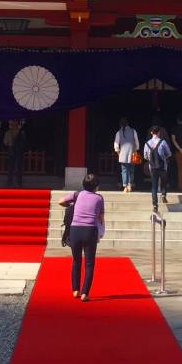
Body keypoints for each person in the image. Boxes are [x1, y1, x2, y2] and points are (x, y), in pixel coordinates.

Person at [60, 173, 105, 301]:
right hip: (90, 230)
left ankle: (75, 290)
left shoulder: (77, 194)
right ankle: (85, 293)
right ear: (96, 186)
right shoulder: (99, 198)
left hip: (75, 230)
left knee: (76, 261)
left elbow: (61, 201)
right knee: (89, 264)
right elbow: (101, 217)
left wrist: (72, 206)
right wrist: (101, 231)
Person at [144, 126, 172, 208]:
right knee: (163, 182)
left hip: (152, 167)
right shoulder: (163, 142)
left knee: (154, 186)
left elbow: (145, 156)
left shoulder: (147, 143)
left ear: (151, 133)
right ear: (159, 132)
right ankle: (163, 195)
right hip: (162, 166)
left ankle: (155, 205)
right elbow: (169, 153)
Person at [113, 118, 140, 193]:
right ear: (128, 123)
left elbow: (116, 144)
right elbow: (136, 141)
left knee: (124, 171)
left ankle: (125, 187)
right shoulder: (133, 131)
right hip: (132, 152)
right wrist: (136, 149)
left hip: (122, 153)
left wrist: (118, 152)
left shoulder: (119, 132)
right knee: (131, 170)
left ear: (120, 124)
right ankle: (130, 185)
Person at [4, 120, 27, 188]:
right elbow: (24, 142)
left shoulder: (8, 132)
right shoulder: (22, 132)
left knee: (10, 167)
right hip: (19, 150)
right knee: (18, 166)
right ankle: (19, 182)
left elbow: (5, 142)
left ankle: (9, 182)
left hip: (11, 149)